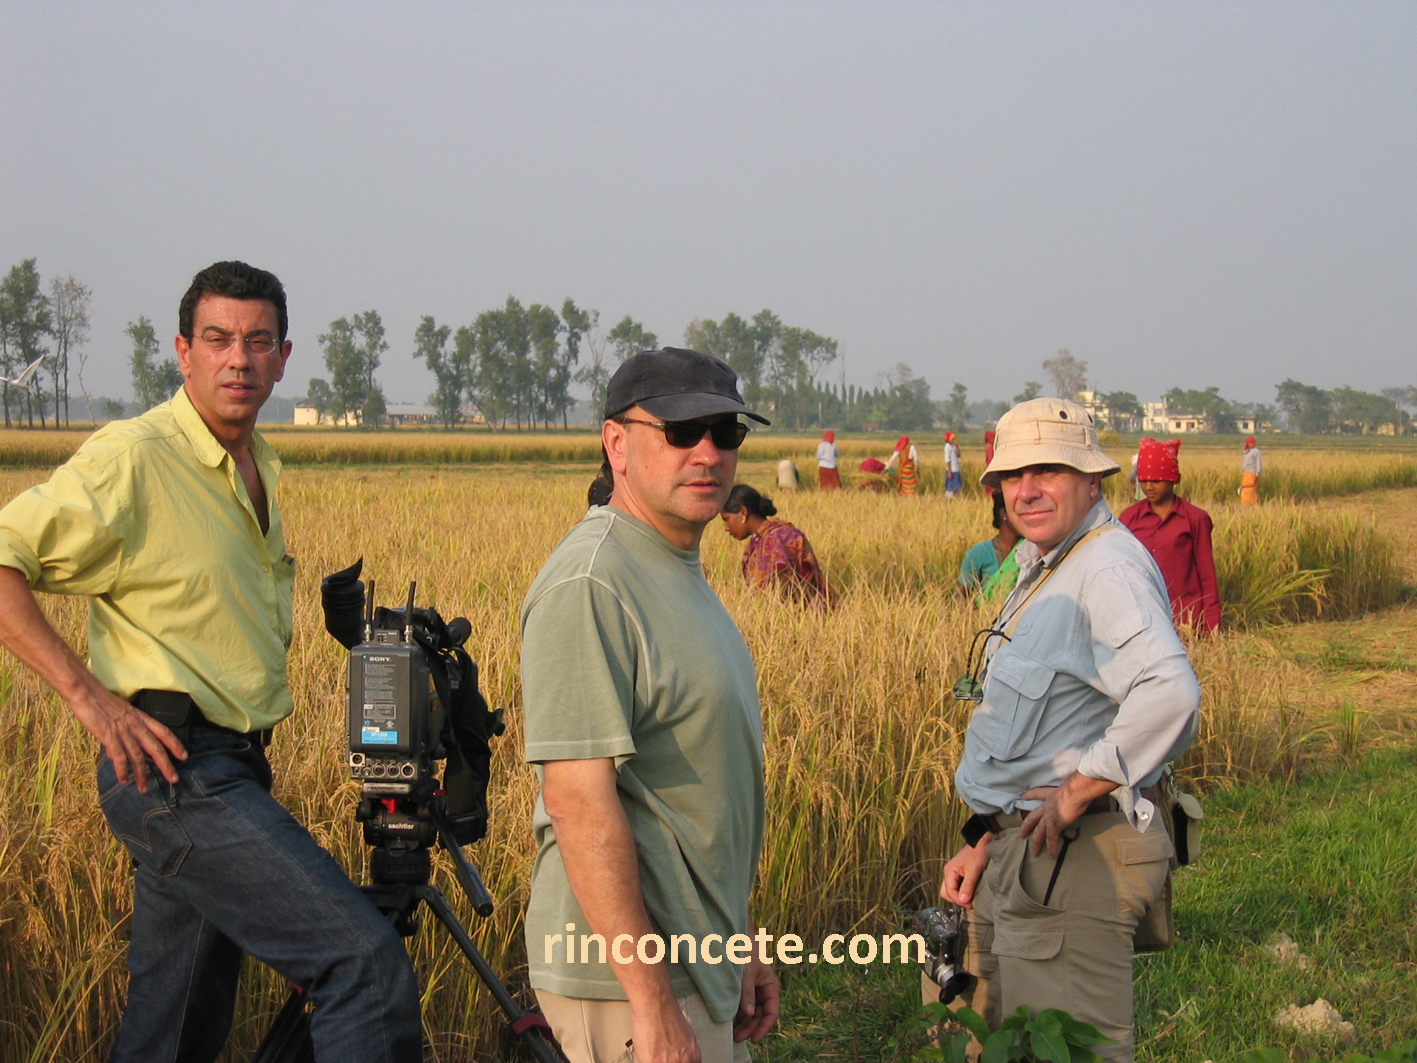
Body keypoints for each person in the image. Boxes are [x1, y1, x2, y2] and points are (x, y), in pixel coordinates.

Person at [0, 262, 421, 1062]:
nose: (239, 359)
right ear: (183, 351)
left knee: (176, 1028)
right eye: (219, 340)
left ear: (284, 355)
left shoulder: (258, 459)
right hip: (175, 772)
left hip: (228, 766)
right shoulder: (137, 455)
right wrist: (92, 701)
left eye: (258, 342)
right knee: (361, 964)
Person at [519, 347, 780, 1063]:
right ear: (616, 443)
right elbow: (577, 800)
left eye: (725, 432)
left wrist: (739, 939)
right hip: (628, 981)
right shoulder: (592, 583)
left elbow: (692, 790)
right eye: (679, 430)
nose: (706, 451)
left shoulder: (674, 567)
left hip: (697, 962)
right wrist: (651, 1001)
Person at [935, 397, 1200, 1063]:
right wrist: (982, 838)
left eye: (1046, 471)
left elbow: (1169, 691)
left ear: (1091, 479)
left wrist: (1074, 790)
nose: (1025, 490)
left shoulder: (1104, 566)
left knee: (1065, 1051)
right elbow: (1035, 730)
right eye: (1011, 475)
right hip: (1019, 851)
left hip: (1073, 856)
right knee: (996, 1038)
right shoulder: (1046, 561)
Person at [1119, 439, 1221, 633]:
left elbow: (1207, 575)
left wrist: (1211, 626)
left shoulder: (1195, 519)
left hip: (1187, 620)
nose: (1148, 487)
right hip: (1142, 618)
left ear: (1174, 479)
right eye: (1144, 480)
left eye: (1156, 481)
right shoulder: (1129, 519)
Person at [721, 484, 835, 605]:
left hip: (801, 614)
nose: (726, 528)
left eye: (726, 519)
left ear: (743, 512)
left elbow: (783, 588)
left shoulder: (777, 537)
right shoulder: (759, 541)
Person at [957, 492, 1021, 602]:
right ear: (1004, 514)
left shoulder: (1034, 549)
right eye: (1019, 512)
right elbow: (960, 598)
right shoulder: (979, 553)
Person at [1240, 436, 1262, 505]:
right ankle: (1244, 504)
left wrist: (1257, 473)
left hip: (1252, 473)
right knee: (1244, 490)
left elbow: (1258, 462)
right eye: (1250, 443)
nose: (1251, 444)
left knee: (1250, 489)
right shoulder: (1247, 451)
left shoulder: (1257, 451)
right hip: (1245, 473)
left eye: (1252, 443)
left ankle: (1251, 503)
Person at [943, 432, 962, 499]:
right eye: (952, 439)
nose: (953, 440)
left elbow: (959, 455)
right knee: (950, 487)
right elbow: (948, 460)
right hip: (952, 470)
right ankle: (949, 499)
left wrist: (957, 446)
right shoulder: (947, 447)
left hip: (956, 468)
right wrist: (949, 471)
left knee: (956, 487)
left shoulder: (953, 446)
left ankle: (954, 498)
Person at [982, 430, 997, 498]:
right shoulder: (990, 446)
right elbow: (991, 459)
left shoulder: (989, 446)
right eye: (992, 437)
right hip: (991, 468)